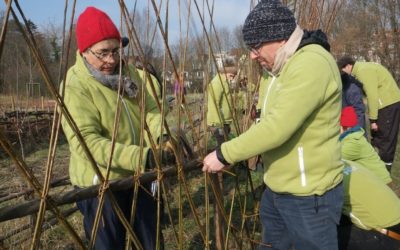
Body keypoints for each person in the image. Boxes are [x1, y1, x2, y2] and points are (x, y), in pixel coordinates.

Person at [202, 0, 344, 249]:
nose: (252, 55)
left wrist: (224, 153)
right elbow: (266, 121)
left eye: (256, 47)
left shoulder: (311, 63)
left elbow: (277, 127)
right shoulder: (278, 70)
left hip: (309, 196)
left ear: (280, 38)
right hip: (278, 188)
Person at [60, 7, 173, 249]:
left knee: (149, 241)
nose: (111, 60)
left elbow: (152, 112)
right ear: (84, 51)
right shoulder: (75, 86)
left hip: (140, 175)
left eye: (115, 50)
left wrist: (162, 137)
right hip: (101, 183)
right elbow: (87, 142)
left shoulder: (135, 75)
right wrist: (144, 156)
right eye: (102, 53)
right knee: (108, 245)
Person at [338, 56, 400, 172]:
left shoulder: (363, 71)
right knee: (378, 139)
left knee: (385, 140)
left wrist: (373, 120)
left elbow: (372, 95)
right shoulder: (362, 68)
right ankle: (377, 167)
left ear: (348, 66)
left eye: (343, 70)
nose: (343, 73)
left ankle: (384, 172)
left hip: (388, 104)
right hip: (386, 104)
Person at [338, 160, 400, 249]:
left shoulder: (321, 175)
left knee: (319, 237)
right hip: (394, 219)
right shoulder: (345, 162)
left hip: (383, 232)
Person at [340, 106, 392, 184]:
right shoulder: (353, 136)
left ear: (346, 128)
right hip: (372, 180)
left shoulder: (354, 142)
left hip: (381, 183)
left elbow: (334, 159)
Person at [206, 56, 237, 145]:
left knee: (224, 146)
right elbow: (214, 104)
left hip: (224, 122)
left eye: (234, 76)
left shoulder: (224, 82)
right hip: (218, 123)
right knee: (222, 148)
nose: (232, 78)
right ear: (224, 73)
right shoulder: (217, 83)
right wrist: (219, 124)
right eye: (231, 76)